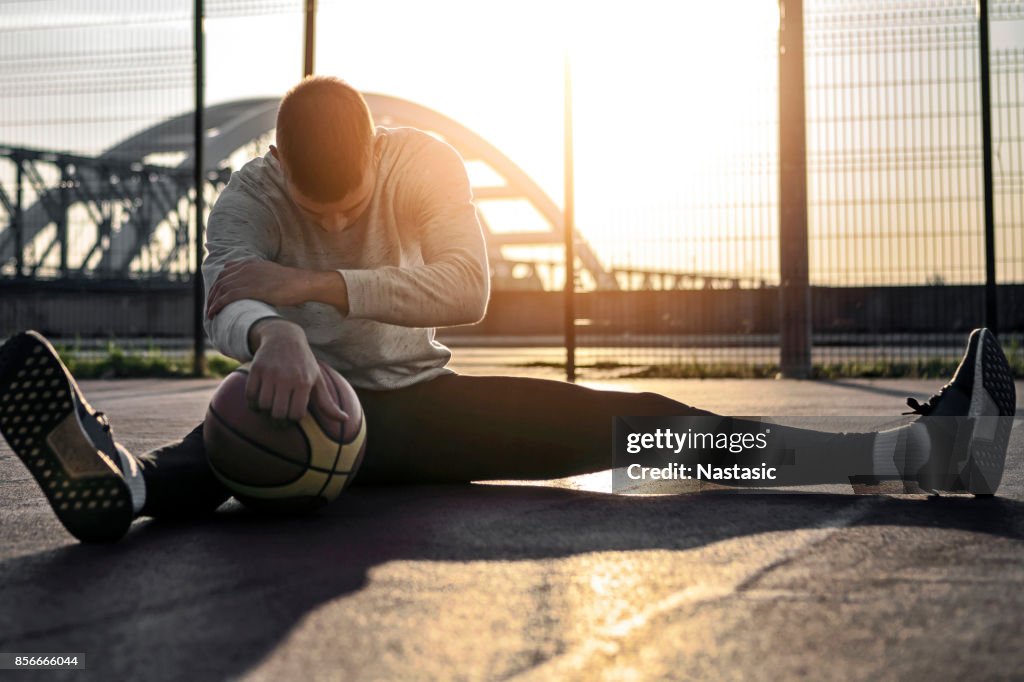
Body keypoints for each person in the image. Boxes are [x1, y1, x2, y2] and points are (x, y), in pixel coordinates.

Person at [0, 77, 1016, 543]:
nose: (345, 214)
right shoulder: (247, 194)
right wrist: (269, 337)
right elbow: (226, 301)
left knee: (658, 431)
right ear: (279, 171)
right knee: (235, 430)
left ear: (378, 150)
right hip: (306, 407)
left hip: (427, 403)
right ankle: (120, 487)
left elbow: (467, 289)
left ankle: (920, 454)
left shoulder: (425, 163)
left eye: (355, 199)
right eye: (324, 213)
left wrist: (308, 291)